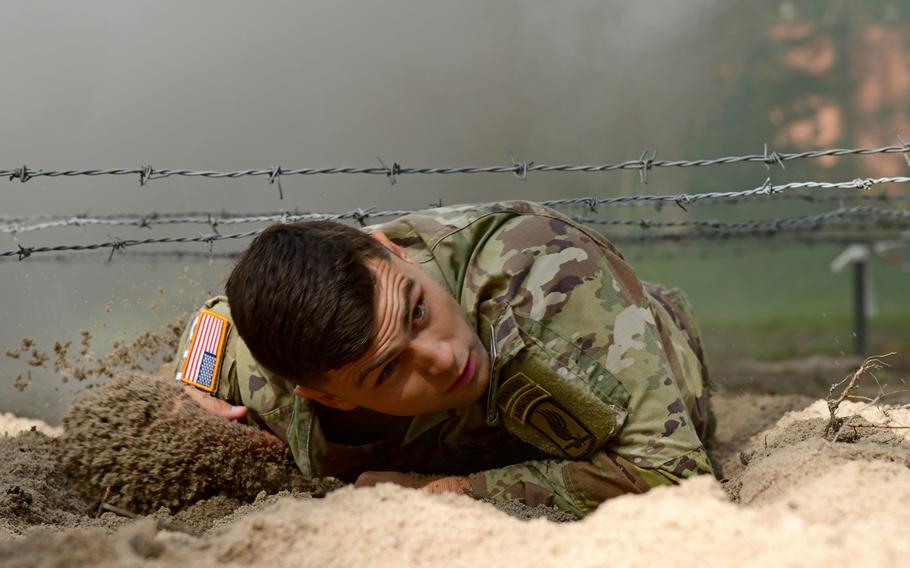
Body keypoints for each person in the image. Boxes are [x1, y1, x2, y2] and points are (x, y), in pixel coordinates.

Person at [175, 200, 715, 518]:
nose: (442, 357)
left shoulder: (545, 276)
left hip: (634, 342)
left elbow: (675, 476)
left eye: (416, 311)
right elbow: (219, 319)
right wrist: (190, 376)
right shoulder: (267, 384)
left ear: (393, 249)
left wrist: (443, 493)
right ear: (328, 396)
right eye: (389, 369)